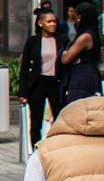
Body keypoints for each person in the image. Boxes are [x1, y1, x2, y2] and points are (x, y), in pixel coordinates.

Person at [18, 8, 68, 148]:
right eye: (49, 21)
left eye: (54, 21)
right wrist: (22, 91)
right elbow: (24, 67)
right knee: (36, 121)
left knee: (59, 118)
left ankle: (59, 147)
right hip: (38, 83)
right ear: (40, 23)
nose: (53, 24)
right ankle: (36, 151)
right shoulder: (33, 41)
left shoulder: (62, 39)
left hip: (56, 82)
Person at [59, 0, 102, 100]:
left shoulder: (84, 37)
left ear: (79, 17)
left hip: (81, 78)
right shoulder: (92, 34)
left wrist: (64, 52)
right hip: (90, 75)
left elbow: (66, 59)